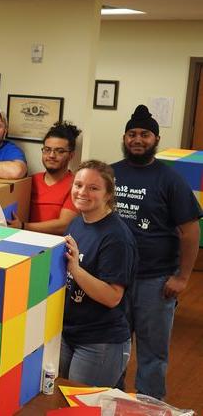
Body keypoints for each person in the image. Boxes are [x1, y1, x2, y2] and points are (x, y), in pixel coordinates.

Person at [111, 105, 201, 400]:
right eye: (132, 134)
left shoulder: (170, 179)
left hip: (156, 281)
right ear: (124, 138)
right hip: (113, 279)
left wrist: (183, 278)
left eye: (145, 134)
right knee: (114, 345)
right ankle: (112, 400)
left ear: (156, 139)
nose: (138, 139)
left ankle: (149, 406)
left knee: (152, 354)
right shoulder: (110, 173)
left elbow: (190, 232)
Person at [61, 160, 136, 387]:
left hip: (100, 341)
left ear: (108, 195)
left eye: (93, 188)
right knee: (61, 402)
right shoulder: (76, 223)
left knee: (83, 407)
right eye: (78, 185)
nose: (83, 192)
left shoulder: (116, 237)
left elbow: (112, 297)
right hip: (68, 332)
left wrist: (75, 269)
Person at [8, 121, 80, 234]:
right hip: (22, 241)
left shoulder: (76, 185)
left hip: (55, 246)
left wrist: (23, 226)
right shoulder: (30, 181)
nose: (51, 155)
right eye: (47, 149)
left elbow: (64, 225)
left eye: (59, 151)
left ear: (71, 156)